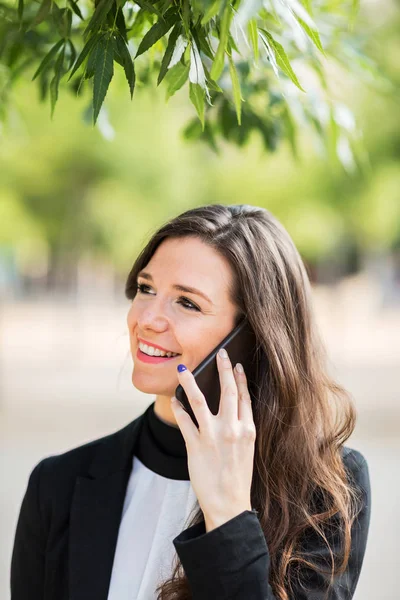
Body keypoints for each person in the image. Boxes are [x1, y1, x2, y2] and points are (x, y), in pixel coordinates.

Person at [10, 204, 371, 600]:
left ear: (251, 338)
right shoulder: (58, 485)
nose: (147, 318)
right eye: (146, 288)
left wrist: (229, 515)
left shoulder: (326, 488)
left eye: (187, 303)